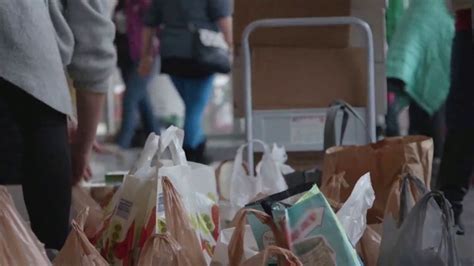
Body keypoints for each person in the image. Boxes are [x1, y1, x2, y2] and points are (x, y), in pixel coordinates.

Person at [0, 0, 116, 249]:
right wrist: (82, 143)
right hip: (29, 77)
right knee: (50, 244)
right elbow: (93, 36)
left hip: (28, 83)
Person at [139, 0, 233, 163]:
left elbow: (149, 24)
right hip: (201, 54)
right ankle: (191, 155)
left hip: (171, 55)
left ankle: (196, 148)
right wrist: (232, 47)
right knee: (194, 110)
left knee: (192, 107)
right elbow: (223, 18)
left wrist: (146, 56)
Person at [437, 1, 473, 235]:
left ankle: (450, 206)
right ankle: (450, 207)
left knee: (463, 120)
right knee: (463, 122)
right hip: (468, 31)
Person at [114, 0, 160, 149]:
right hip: (125, 59)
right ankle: (158, 145)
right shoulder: (121, 5)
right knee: (143, 103)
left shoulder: (145, 3)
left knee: (129, 99)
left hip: (145, 58)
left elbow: (156, 27)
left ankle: (122, 144)